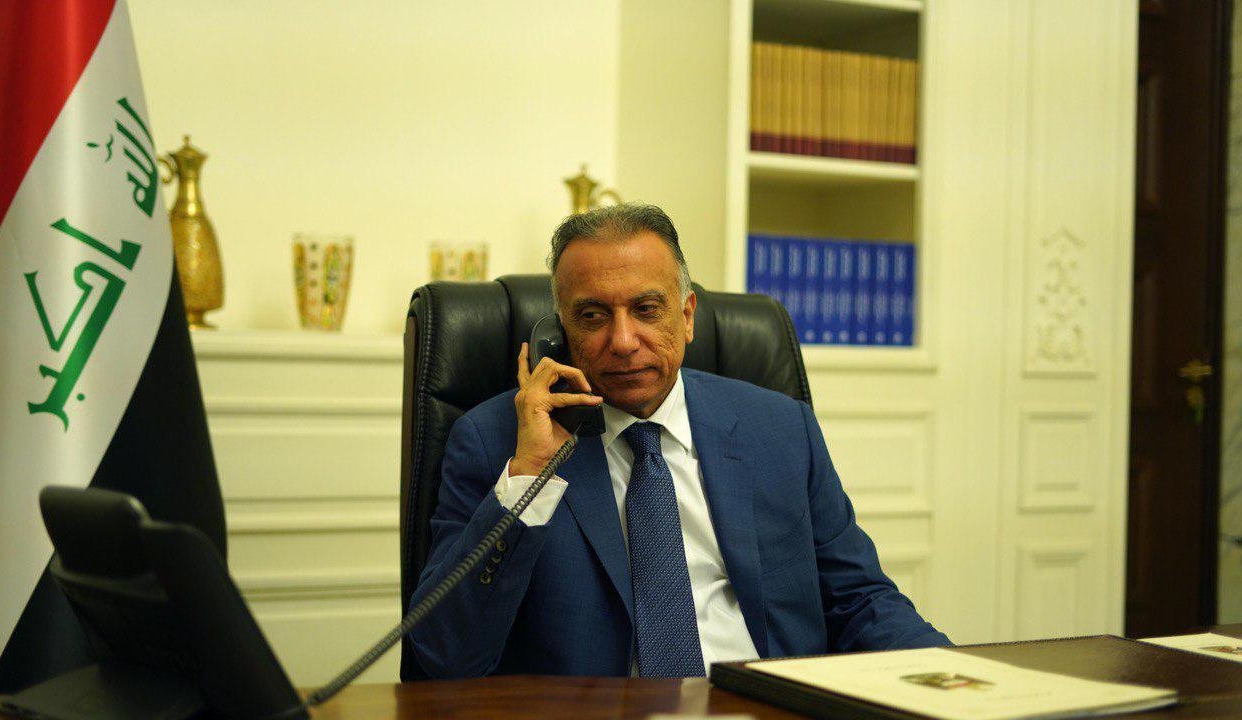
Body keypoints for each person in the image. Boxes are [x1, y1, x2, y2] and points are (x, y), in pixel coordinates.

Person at [407, 203, 950, 679]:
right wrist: (529, 476)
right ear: (559, 333)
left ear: (686, 317)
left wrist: (953, 678)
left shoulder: (780, 428)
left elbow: (860, 601)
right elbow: (445, 656)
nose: (623, 341)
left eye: (646, 310)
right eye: (593, 316)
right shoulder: (495, 442)